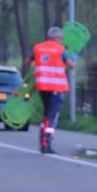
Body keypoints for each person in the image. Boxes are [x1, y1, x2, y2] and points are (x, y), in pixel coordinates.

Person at [33, 26, 72, 154]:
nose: (61, 40)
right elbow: (71, 65)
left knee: (46, 115)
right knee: (52, 116)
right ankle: (46, 144)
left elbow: (28, 60)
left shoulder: (38, 47)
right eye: (61, 38)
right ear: (57, 38)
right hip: (56, 88)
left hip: (42, 87)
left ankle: (42, 142)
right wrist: (73, 59)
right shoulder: (61, 50)